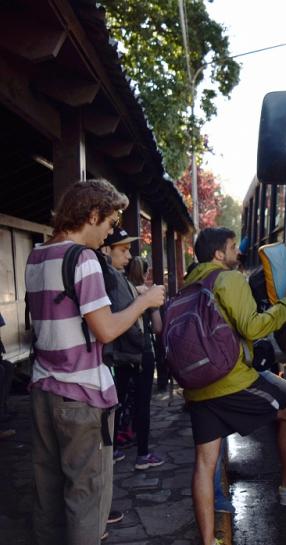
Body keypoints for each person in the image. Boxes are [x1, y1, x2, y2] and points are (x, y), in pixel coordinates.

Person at [25, 179, 165, 545]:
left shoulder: (37, 256)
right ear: (91, 215)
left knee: (48, 495)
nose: (109, 233)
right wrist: (144, 302)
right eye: (108, 222)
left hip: (42, 391)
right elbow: (105, 330)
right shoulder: (84, 259)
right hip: (82, 396)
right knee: (87, 497)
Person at [182, 227, 286, 545]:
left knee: (205, 464)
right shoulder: (229, 278)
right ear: (219, 254)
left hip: (197, 386)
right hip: (230, 380)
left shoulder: (189, 283)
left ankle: (209, 541)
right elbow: (252, 327)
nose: (239, 252)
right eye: (233, 247)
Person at [100, 235, 166, 470]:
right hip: (136, 352)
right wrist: (149, 303)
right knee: (141, 404)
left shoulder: (114, 277)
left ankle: (114, 449)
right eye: (124, 250)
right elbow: (131, 320)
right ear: (107, 249)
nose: (128, 256)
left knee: (118, 402)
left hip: (121, 354)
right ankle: (143, 454)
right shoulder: (114, 279)